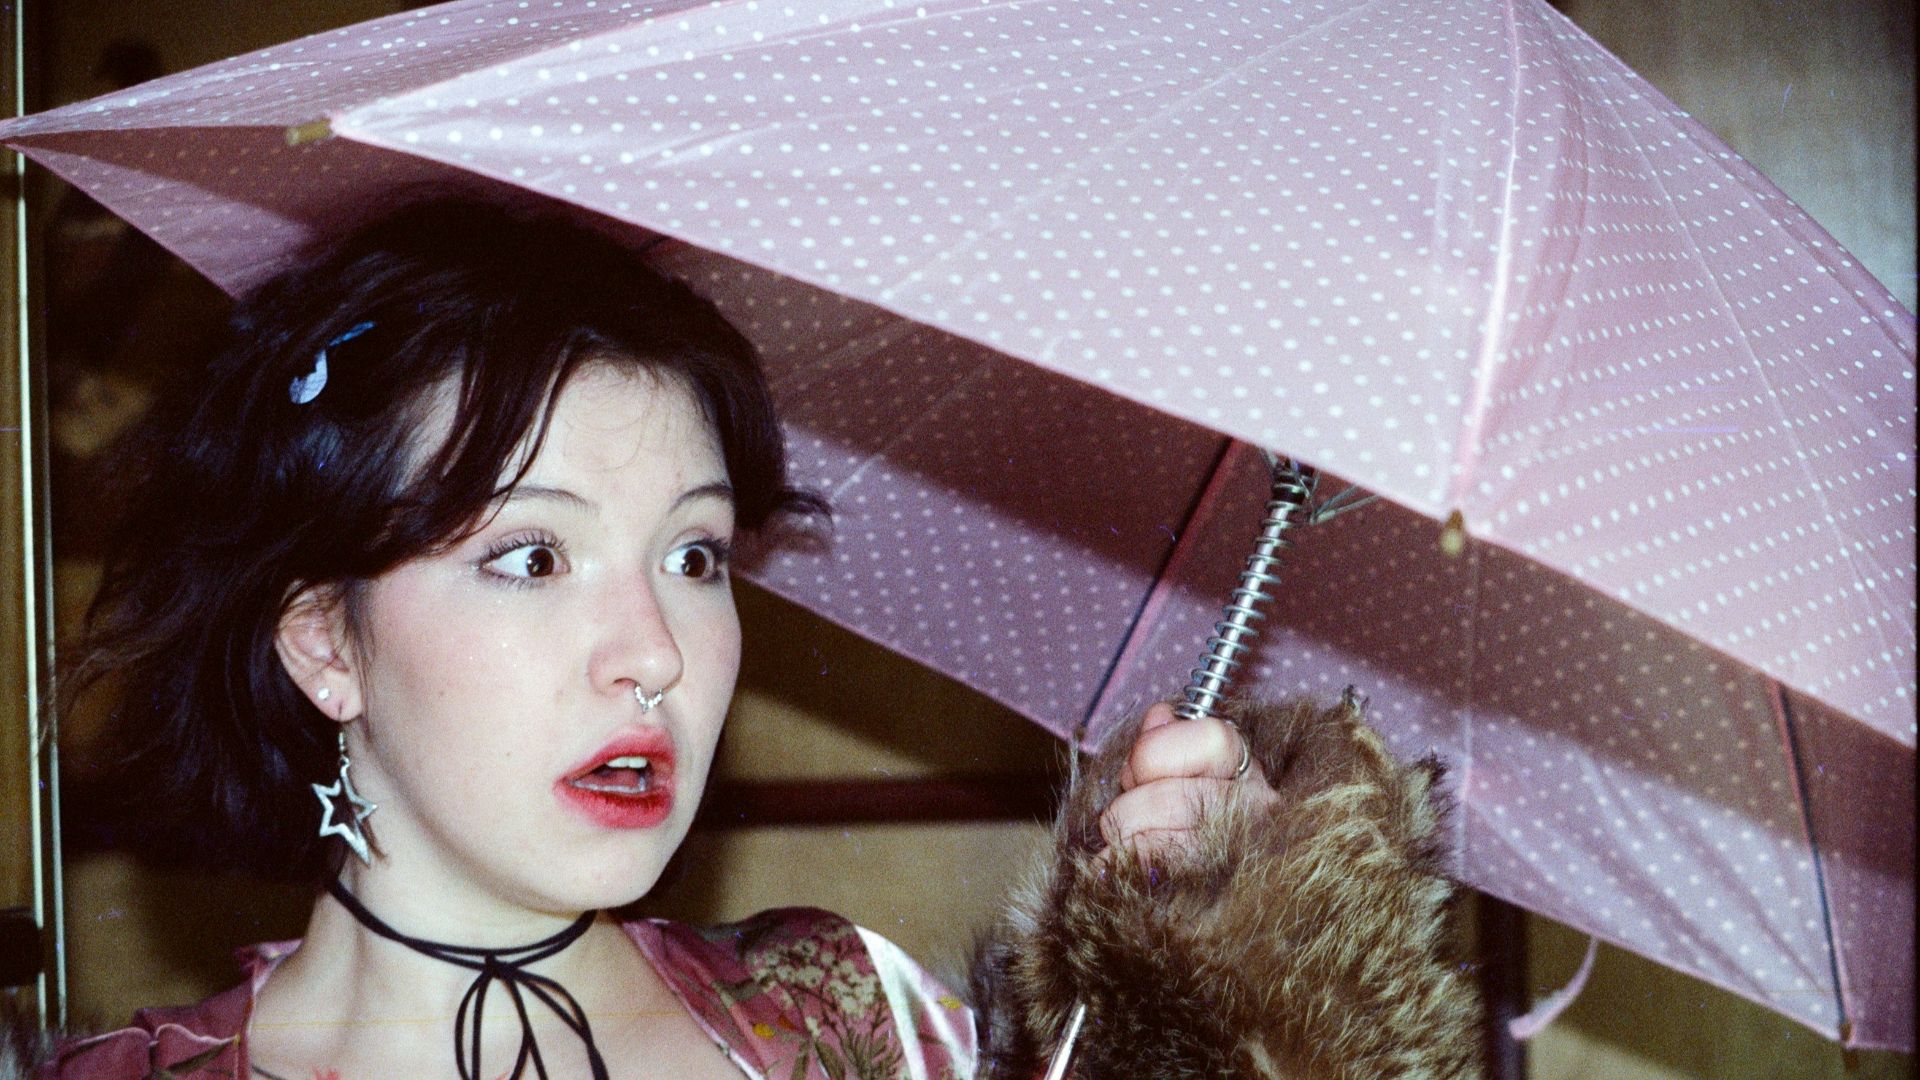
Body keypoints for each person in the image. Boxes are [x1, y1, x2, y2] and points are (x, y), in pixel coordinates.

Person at [41, 197, 1482, 1079]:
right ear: (322, 644)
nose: (655, 652)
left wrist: (1217, 971)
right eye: (532, 555)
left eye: (697, 554)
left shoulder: (856, 1028)